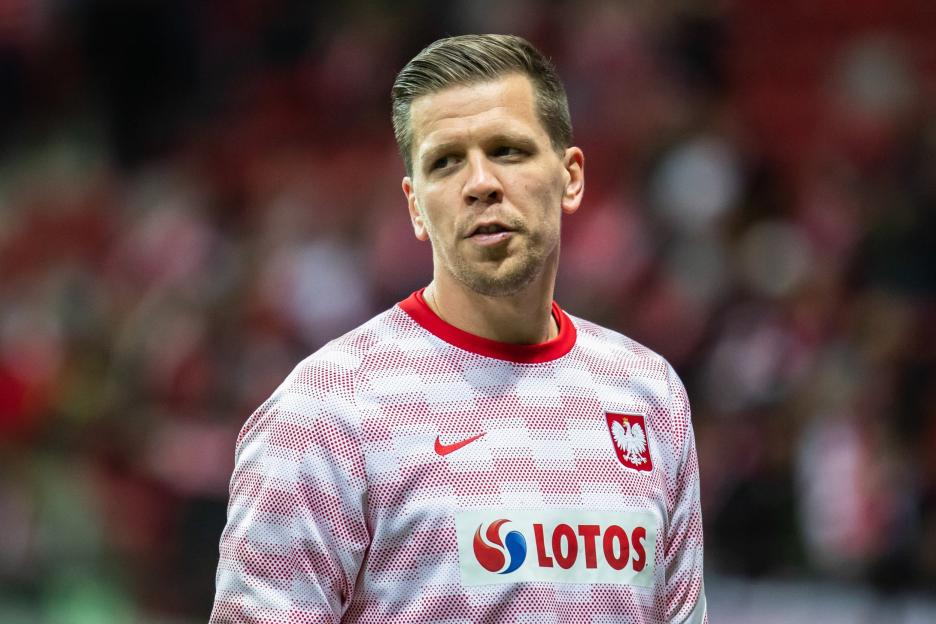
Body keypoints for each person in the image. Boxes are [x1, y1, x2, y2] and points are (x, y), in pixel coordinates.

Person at [210, 34, 707, 624]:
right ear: (415, 206)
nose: (480, 183)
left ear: (571, 177)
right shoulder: (327, 411)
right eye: (445, 162)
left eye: (508, 150)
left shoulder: (649, 394)